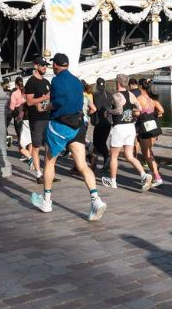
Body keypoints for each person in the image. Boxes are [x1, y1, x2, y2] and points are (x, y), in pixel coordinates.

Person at [31, 53, 107, 221]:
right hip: (77, 126)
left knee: (49, 161)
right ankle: (95, 199)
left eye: (53, 65)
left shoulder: (56, 81)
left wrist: (45, 106)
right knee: (82, 164)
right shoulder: (76, 81)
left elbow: (58, 102)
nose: (52, 67)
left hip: (60, 124)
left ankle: (46, 200)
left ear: (56, 66)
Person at [101, 74, 153, 191]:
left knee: (114, 156)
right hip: (130, 127)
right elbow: (139, 109)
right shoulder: (131, 94)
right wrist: (131, 113)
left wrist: (108, 112)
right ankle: (144, 175)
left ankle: (112, 181)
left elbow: (118, 110)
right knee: (129, 155)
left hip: (119, 127)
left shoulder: (117, 95)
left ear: (118, 83)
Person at [25, 57, 52, 184]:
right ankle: (38, 174)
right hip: (36, 119)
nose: (44, 67)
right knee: (36, 147)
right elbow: (29, 102)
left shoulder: (47, 82)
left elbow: (50, 99)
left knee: (49, 146)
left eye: (45, 65)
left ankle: (48, 173)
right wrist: (44, 97)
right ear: (36, 66)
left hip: (48, 117)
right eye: (42, 65)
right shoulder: (31, 82)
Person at [136, 78, 164, 187]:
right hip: (153, 127)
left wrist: (138, 114)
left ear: (140, 87)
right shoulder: (152, 99)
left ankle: (157, 177)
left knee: (146, 154)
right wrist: (153, 115)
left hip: (144, 128)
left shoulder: (139, 99)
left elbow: (137, 113)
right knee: (149, 152)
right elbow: (161, 111)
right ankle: (155, 173)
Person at [9, 76, 33, 166]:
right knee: (29, 137)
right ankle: (29, 154)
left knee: (20, 136)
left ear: (15, 84)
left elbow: (12, 107)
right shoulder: (26, 92)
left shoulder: (15, 93)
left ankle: (26, 156)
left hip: (18, 116)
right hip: (28, 116)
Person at [92, 77, 113, 171]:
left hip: (100, 121)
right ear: (104, 84)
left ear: (97, 85)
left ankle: (107, 157)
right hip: (108, 121)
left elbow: (97, 107)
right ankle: (105, 161)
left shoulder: (96, 94)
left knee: (96, 142)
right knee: (102, 142)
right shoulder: (109, 94)